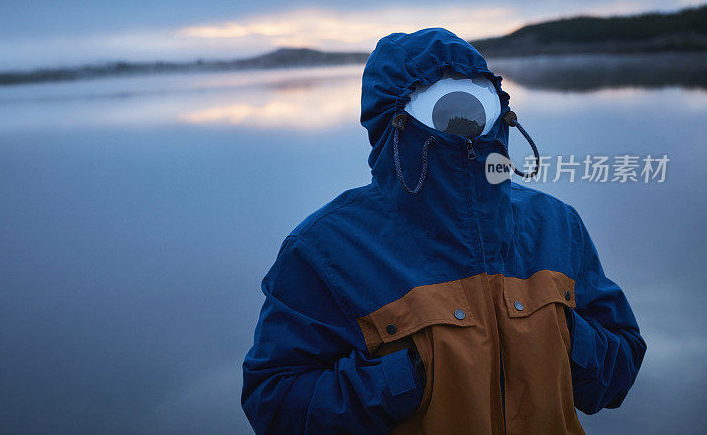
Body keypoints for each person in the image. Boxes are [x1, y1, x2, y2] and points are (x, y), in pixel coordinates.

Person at [241, 28, 646, 434]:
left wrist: (562, 337)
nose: (466, 118)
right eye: (446, 105)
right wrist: (402, 377)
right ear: (393, 123)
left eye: (478, 97)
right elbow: (273, 404)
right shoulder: (325, 249)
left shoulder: (555, 224)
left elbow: (622, 364)